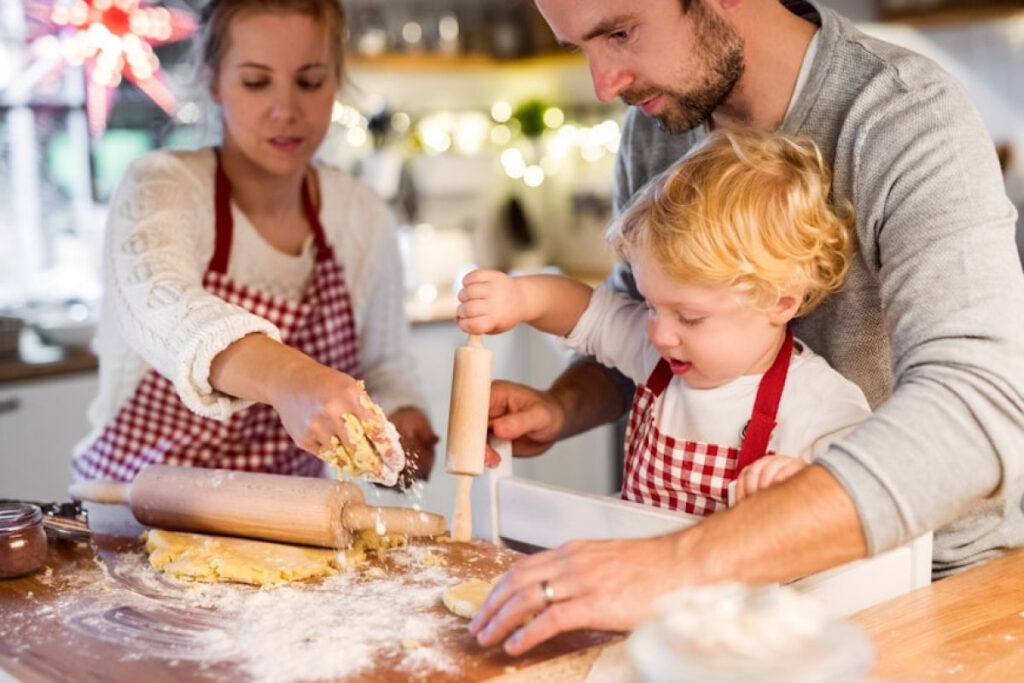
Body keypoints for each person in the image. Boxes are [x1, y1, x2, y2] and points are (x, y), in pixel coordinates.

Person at [469, 0, 1024, 657]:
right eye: (581, 48)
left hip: (925, 585)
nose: (604, 84)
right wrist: (562, 405)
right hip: (721, 589)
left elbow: (979, 409)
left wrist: (679, 563)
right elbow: (639, 332)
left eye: (620, 32)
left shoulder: (904, 117)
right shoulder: (656, 129)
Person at [71, 0, 437, 487]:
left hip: (286, 532)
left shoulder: (362, 215)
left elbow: (385, 366)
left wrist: (400, 423)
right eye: (256, 82)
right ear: (214, 82)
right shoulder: (161, 186)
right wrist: (290, 379)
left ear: (336, 82)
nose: (286, 110)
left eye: (309, 81)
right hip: (134, 518)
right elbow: (164, 307)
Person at [458, 130, 871, 513]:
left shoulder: (819, 402)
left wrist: (803, 485)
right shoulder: (658, 357)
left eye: (690, 317)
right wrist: (521, 296)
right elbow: (586, 311)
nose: (659, 331)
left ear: (780, 303)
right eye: (652, 306)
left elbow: (863, 492)